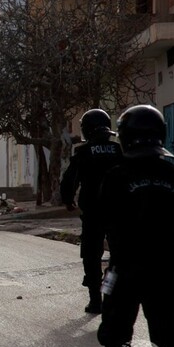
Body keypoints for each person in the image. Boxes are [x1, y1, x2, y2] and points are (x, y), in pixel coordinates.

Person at [80, 105, 174, 347]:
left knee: (116, 345)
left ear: (125, 137)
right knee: (171, 345)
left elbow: (100, 218)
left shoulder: (117, 177)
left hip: (125, 273)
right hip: (164, 274)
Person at [60, 108, 123, 314]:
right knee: (118, 257)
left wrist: (68, 201)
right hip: (117, 213)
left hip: (93, 213)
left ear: (86, 130)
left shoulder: (83, 153)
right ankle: (109, 292)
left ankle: (96, 301)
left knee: (91, 256)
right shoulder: (118, 151)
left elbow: (69, 180)